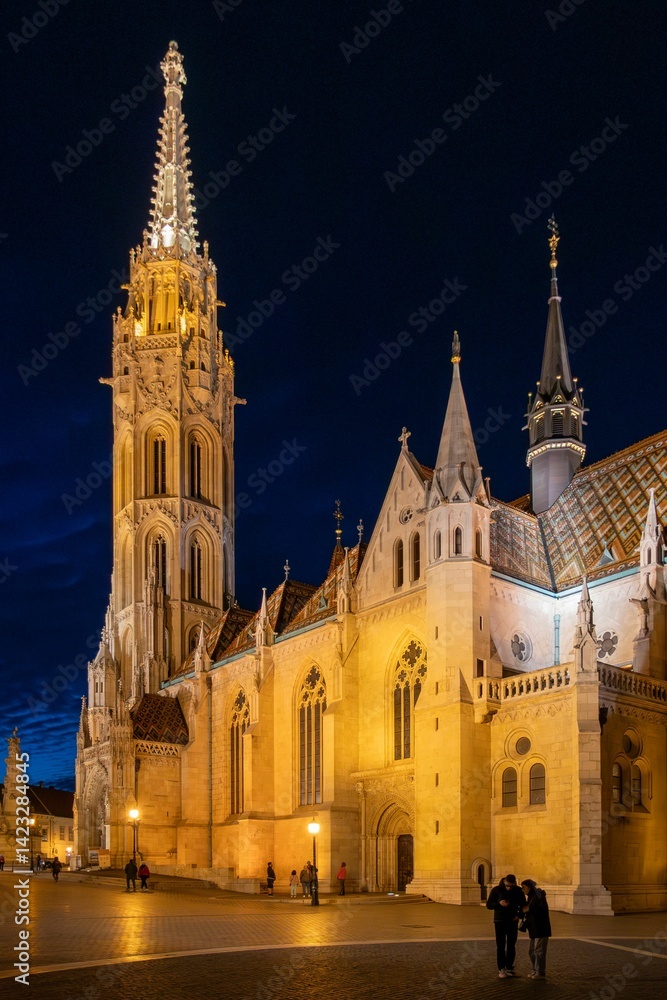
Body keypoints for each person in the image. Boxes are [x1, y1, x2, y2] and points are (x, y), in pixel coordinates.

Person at [486, 873, 525, 978]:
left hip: (512, 920)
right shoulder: (496, 890)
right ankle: (501, 968)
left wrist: (519, 915)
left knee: (512, 945)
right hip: (499, 920)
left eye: (511, 886)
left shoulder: (518, 890)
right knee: (500, 945)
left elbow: (523, 905)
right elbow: (488, 905)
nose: (508, 888)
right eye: (507, 885)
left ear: (514, 883)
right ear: (504, 882)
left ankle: (510, 967)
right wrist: (499, 903)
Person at [520, 879, 552, 979]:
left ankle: (540, 972)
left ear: (529, 887)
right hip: (534, 928)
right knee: (532, 951)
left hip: (541, 928)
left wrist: (529, 909)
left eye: (523, 887)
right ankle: (535, 970)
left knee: (539, 951)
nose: (522, 890)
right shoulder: (531, 897)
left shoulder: (539, 896)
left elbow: (540, 910)